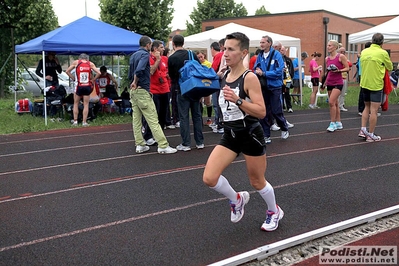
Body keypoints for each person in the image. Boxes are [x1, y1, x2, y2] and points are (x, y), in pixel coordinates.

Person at [203, 32, 283, 231]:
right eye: (224, 49)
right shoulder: (225, 76)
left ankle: (274, 211)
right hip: (230, 135)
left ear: (243, 53)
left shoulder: (250, 78)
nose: (225, 53)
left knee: (257, 181)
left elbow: (262, 111)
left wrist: (238, 101)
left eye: (231, 49)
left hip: (249, 135)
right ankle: (237, 199)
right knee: (209, 178)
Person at [128, 36, 177, 154]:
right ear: (149, 45)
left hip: (134, 92)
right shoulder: (145, 55)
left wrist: (132, 83)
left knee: (137, 120)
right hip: (143, 90)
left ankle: (140, 144)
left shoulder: (133, 55)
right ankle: (163, 145)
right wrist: (136, 81)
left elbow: (131, 72)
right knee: (153, 119)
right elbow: (139, 70)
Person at [168, 34, 204, 151]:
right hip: (195, 88)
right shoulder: (191, 54)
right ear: (183, 43)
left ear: (173, 44)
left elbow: (172, 76)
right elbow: (200, 69)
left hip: (181, 88)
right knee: (197, 116)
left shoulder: (172, 58)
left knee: (184, 117)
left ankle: (186, 143)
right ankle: (200, 142)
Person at [254, 36, 290, 144]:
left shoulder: (277, 55)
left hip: (275, 87)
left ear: (269, 43)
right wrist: (257, 71)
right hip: (263, 87)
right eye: (260, 42)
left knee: (276, 110)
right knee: (263, 112)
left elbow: (279, 71)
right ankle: (266, 134)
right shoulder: (259, 55)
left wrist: (264, 74)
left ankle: (284, 127)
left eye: (263, 42)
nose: (261, 44)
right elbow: (255, 68)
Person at [358, 33, 393, 142]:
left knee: (366, 107)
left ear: (372, 41)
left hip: (364, 83)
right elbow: (390, 67)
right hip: (376, 84)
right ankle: (371, 134)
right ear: (382, 42)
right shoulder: (383, 53)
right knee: (374, 110)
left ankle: (363, 130)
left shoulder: (364, 51)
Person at [66, 53, 101, 127]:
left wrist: (73, 78)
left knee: (76, 103)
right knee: (86, 104)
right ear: (87, 58)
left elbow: (67, 71)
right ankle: (84, 122)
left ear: (80, 58)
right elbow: (99, 72)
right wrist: (93, 80)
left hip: (78, 86)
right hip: (87, 86)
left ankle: (75, 121)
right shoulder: (90, 64)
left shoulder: (76, 62)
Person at [324, 40, 349, 132]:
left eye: (330, 45)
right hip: (330, 82)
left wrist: (338, 71)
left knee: (331, 102)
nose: (328, 47)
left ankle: (332, 123)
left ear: (335, 47)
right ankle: (339, 122)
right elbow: (328, 71)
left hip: (338, 82)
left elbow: (347, 68)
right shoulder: (327, 58)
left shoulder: (341, 57)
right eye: (327, 45)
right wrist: (324, 82)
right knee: (335, 103)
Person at [196, 51, 213, 125]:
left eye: (201, 57)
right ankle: (200, 119)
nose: (200, 59)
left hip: (206, 85)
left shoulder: (208, 64)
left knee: (207, 102)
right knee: (199, 101)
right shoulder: (196, 64)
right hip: (199, 85)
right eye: (198, 57)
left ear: (204, 56)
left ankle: (209, 119)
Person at [357, 41, 372, 116]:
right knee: (365, 92)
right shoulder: (366, 54)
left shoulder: (363, 54)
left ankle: (363, 109)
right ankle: (363, 109)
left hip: (362, 74)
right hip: (364, 74)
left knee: (363, 91)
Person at [337, 47, 352, 112]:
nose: (343, 53)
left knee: (343, 93)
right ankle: (337, 105)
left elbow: (350, 64)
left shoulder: (344, 58)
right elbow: (347, 65)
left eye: (344, 52)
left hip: (344, 77)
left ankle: (341, 105)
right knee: (338, 93)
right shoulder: (338, 58)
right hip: (339, 78)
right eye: (341, 52)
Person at [280, 45, 294, 113]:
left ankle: (289, 107)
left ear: (285, 51)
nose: (281, 52)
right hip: (280, 79)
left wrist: (291, 76)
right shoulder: (278, 59)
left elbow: (292, 69)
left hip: (287, 79)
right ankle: (282, 106)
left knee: (287, 92)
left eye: (283, 50)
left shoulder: (288, 60)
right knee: (280, 92)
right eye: (280, 50)